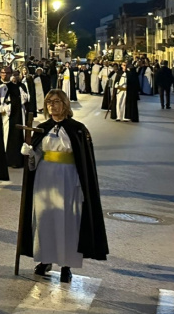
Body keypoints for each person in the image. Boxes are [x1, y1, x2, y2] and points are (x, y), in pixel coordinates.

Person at [19, 89, 108, 283]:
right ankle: (45, 260)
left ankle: (66, 266)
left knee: (67, 222)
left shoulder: (78, 129)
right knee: (45, 220)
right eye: (49, 102)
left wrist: (81, 185)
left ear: (65, 104)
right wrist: (30, 154)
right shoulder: (42, 128)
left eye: (56, 101)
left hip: (69, 181)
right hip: (44, 181)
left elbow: (84, 163)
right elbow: (35, 160)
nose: (52, 105)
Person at [0, 66, 29, 169]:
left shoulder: (15, 87)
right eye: (3, 73)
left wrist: (8, 107)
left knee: (12, 137)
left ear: (11, 74)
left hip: (11, 116)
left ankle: (12, 159)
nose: (5, 75)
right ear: (0, 73)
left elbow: (18, 101)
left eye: (8, 73)